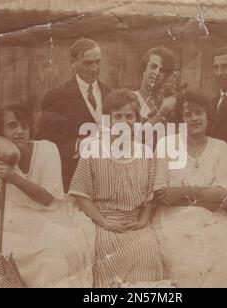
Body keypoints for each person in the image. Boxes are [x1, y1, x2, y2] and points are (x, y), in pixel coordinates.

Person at [0, 104, 95, 288]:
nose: (20, 131)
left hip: (50, 216)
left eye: (24, 125)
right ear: (0, 131)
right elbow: (11, 153)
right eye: (12, 126)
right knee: (14, 269)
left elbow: (48, 199)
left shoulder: (47, 149)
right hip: (16, 221)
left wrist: (14, 178)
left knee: (53, 262)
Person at [69, 89, 164, 288]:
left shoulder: (146, 153)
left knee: (146, 252)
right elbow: (81, 194)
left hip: (135, 225)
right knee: (106, 261)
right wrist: (105, 222)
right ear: (108, 120)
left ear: (137, 122)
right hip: (103, 224)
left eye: (129, 116)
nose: (123, 121)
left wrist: (143, 221)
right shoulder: (93, 150)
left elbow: (151, 196)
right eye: (117, 116)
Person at [152, 90, 227, 288]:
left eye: (198, 112)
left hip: (213, 221)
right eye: (187, 114)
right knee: (185, 267)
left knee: (222, 268)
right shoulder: (167, 144)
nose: (194, 118)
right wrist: (207, 195)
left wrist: (182, 192)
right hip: (172, 221)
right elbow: (161, 195)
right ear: (180, 120)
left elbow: (225, 196)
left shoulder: (221, 148)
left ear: (207, 116)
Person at [37, 38, 111, 192]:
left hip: (107, 178)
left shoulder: (110, 93)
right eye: (88, 63)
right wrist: (78, 145)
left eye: (98, 62)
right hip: (72, 178)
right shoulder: (57, 95)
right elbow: (44, 146)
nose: (94, 68)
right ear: (73, 62)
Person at [135, 47, 179, 124]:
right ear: (143, 69)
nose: (157, 72)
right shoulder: (130, 99)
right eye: (153, 67)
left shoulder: (170, 101)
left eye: (162, 70)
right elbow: (134, 135)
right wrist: (164, 110)